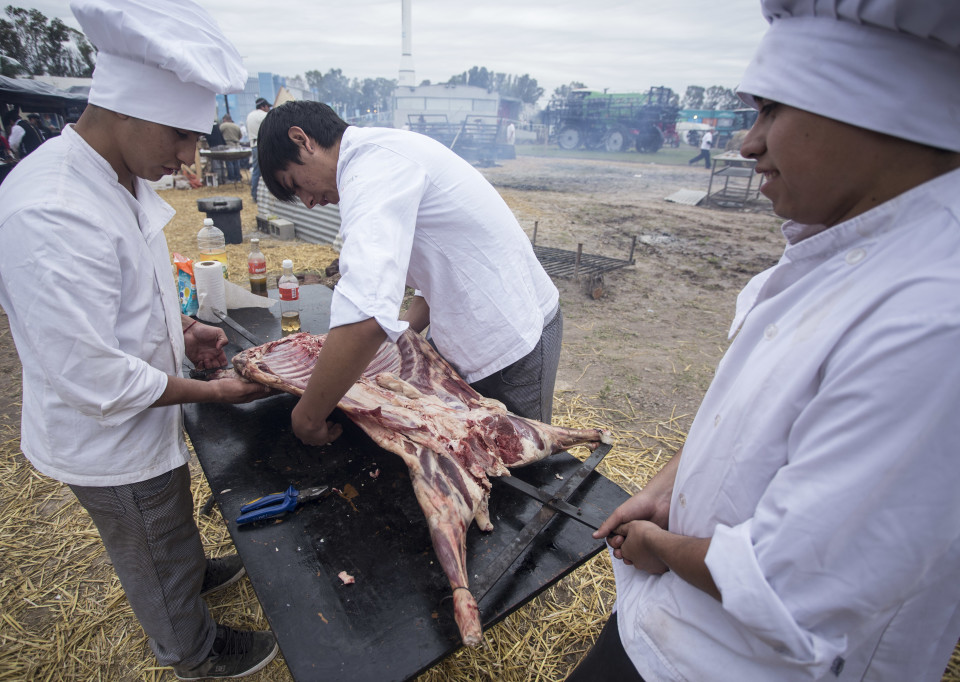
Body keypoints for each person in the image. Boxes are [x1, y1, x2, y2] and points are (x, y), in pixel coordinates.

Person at [567, 2, 960, 681]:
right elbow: (752, 414)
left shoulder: (935, 313)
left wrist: (662, 545)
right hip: (669, 625)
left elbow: (788, 583)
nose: (748, 144)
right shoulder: (836, 245)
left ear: (877, 113)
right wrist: (669, 486)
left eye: (772, 110)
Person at [0, 0, 281, 678]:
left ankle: (192, 570)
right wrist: (212, 389)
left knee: (168, 518)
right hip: (105, 433)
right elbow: (91, 373)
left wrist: (185, 328)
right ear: (123, 111)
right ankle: (190, 650)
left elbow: (124, 296)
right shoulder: (51, 213)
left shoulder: (114, 177)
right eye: (180, 136)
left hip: (146, 412)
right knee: (148, 534)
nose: (189, 158)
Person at [258, 100, 562, 446]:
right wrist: (404, 340)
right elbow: (440, 262)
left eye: (295, 184)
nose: (309, 202)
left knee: (519, 464)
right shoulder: (381, 154)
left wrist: (307, 417)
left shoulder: (372, 170)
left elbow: (366, 315)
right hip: (477, 327)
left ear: (302, 140)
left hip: (511, 339)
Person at [245, 96, 270, 201]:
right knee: (268, 170)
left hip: (254, 145)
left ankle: (254, 194)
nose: (268, 108)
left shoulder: (249, 116)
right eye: (267, 106)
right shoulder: (265, 115)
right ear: (263, 106)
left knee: (256, 171)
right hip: (263, 144)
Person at [219, 113, 242, 182]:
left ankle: (231, 178)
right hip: (237, 145)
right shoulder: (236, 126)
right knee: (236, 162)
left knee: (229, 162)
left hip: (228, 144)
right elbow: (240, 136)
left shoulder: (223, 126)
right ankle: (238, 178)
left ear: (225, 119)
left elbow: (219, 134)